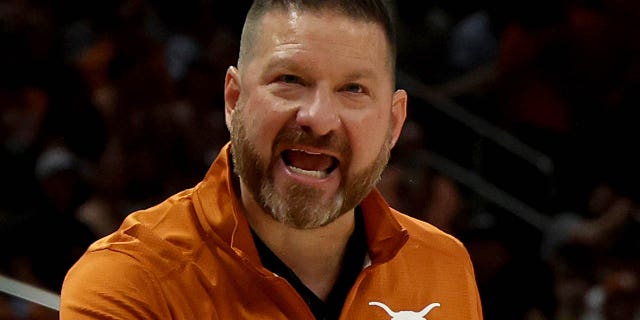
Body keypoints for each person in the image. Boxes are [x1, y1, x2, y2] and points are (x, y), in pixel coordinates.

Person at [59, 0, 483, 319]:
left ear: (394, 123)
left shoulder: (443, 266)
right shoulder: (130, 284)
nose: (318, 118)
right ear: (233, 100)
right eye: (290, 80)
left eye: (353, 89)